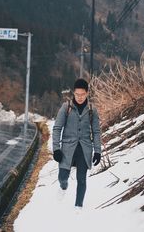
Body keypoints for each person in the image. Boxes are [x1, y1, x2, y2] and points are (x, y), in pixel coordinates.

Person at [52, 78, 101, 210]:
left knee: (82, 179)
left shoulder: (92, 110)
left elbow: (96, 132)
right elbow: (57, 128)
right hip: (67, 148)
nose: (79, 97)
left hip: (84, 149)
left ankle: (78, 207)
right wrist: (56, 149)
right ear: (74, 93)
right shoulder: (66, 107)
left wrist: (97, 151)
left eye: (82, 94)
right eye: (77, 94)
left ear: (87, 94)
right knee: (62, 177)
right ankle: (63, 187)